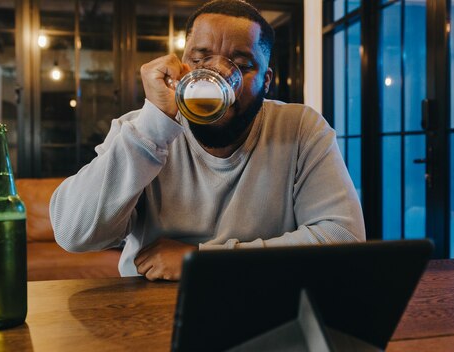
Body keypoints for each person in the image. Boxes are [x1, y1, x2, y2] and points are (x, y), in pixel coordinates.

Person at [50, 0, 365, 281]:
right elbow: (72, 234)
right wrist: (153, 126)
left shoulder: (300, 128)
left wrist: (201, 260)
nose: (216, 76)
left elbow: (344, 238)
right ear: (182, 67)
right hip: (149, 306)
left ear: (266, 81)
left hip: (259, 297)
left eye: (241, 66)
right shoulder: (140, 130)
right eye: (200, 61)